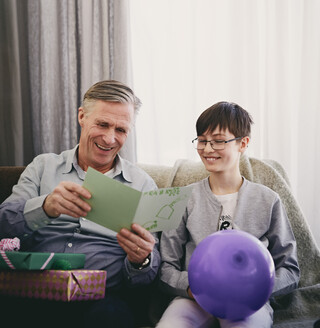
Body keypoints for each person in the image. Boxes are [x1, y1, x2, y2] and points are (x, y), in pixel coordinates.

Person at [0, 80, 161, 327]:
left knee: (112, 317)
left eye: (121, 130)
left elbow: (146, 279)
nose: (109, 138)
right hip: (32, 289)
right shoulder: (43, 167)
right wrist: (45, 207)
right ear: (82, 116)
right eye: (103, 124)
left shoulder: (143, 185)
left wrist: (141, 260)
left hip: (102, 300)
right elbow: (4, 225)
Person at [156, 101, 300, 328]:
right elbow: (166, 266)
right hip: (193, 300)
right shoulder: (182, 199)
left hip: (250, 304)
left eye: (219, 141)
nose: (208, 149)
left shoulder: (268, 199)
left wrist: (256, 288)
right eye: (202, 141)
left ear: (243, 143)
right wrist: (192, 287)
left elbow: (290, 269)